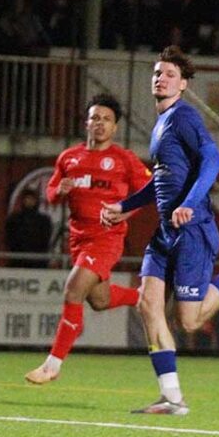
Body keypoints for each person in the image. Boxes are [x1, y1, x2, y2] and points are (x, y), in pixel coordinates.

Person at [101, 46, 219, 414]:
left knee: (190, 320)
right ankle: (171, 398)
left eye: (169, 74)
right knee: (147, 303)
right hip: (166, 232)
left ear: (183, 84)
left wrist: (188, 204)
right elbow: (160, 180)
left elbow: (213, 159)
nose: (160, 78)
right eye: (157, 72)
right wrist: (125, 206)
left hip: (193, 230)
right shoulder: (160, 124)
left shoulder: (183, 117)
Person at [24, 95, 151, 384]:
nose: (99, 123)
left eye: (106, 119)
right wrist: (61, 190)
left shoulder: (124, 159)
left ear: (115, 127)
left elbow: (148, 190)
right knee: (99, 300)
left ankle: (52, 365)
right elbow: (51, 193)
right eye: (95, 118)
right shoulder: (69, 157)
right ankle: (144, 297)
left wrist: (124, 213)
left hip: (106, 238)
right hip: (78, 239)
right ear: (86, 123)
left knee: (73, 290)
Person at [5, 188, 52, 268]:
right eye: (27, 198)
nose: (29, 201)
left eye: (32, 199)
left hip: (38, 262)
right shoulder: (14, 219)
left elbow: (45, 239)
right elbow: (10, 237)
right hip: (18, 261)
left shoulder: (44, 220)